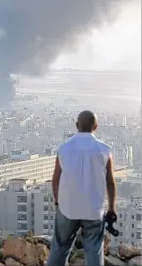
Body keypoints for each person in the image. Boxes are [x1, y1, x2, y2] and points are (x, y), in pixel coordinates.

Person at [47, 110, 117, 266]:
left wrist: (58, 202)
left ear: (76, 125)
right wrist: (112, 208)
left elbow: (55, 180)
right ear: (96, 126)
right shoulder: (104, 150)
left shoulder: (64, 149)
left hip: (67, 208)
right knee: (94, 251)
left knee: (60, 248)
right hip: (93, 210)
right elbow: (110, 182)